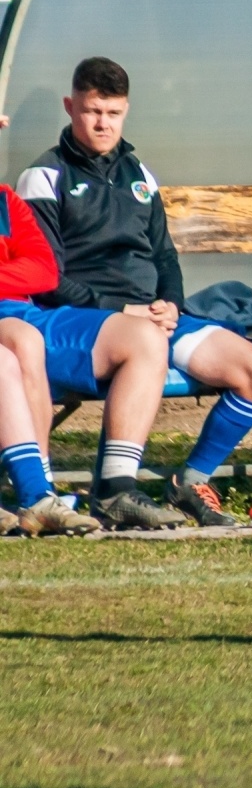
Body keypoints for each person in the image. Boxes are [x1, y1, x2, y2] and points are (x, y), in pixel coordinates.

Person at [19, 57, 252, 528]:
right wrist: (127, 311)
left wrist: (171, 305)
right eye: (92, 111)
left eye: (113, 113)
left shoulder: (140, 174)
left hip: (150, 318)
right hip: (87, 320)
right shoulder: (43, 175)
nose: (102, 123)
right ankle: (116, 489)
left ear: (126, 111)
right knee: (146, 341)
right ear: (70, 106)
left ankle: (188, 483)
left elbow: (165, 256)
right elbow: (48, 279)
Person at [0, 181, 102, 535]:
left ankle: (39, 494)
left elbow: (43, 270)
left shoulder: (3, 198)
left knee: (25, 341)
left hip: (11, 311)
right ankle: (36, 493)